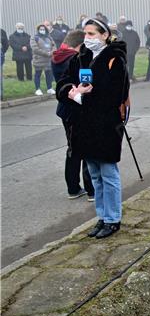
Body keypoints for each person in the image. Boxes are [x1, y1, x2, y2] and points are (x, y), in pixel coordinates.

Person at [56, 17, 130, 239]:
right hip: (83, 125)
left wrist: (86, 96)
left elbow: (116, 93)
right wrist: (72, 92)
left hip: (105, 125)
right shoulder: (80, 58)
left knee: (108, 173)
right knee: (94, 175)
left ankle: (113, 218)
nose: (87, 39)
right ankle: (101, 216)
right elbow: (63, 82)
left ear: (104, 35)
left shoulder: (114, 59)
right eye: (86, 34)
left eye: (92, 34)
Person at [53, 29, 95, 200]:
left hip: (65, 109)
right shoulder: (73, 59)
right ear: (80, 45)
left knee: (73, 149)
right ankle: (91, 188)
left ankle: (73, 187)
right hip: (77, 107)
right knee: (87, 149)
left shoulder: (58, 56)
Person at [31, 23, 56, 95]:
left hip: (48, 60)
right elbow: (35, 48)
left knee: (49, 74)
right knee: (38, 74)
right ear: (38, 30)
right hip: (39, 59)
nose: (42, 30)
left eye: (43, 29)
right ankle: (37, 89)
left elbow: (54, 46)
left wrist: (52, 52)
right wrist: (46, 53)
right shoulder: (35, 37)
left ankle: (49, 88)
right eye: (40, 29)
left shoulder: (49, 37)